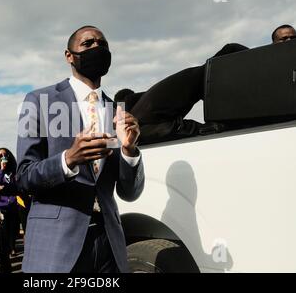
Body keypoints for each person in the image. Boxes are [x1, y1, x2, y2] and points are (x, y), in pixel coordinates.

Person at [16, 25, 145, 273]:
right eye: (87, 44)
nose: (97, 47)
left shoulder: (116, 111)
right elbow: (22, 177)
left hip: (108, 245)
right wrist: (68, 160)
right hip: (58, 246)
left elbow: (129, 193)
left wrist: (130, 152)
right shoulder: (37, 100)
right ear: (69, 55)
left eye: (102, 44)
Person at [124, 24, 296, 145]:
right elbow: (232, 49)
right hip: (163, 104)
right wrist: (209, 129)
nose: (288, 42)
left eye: (292, 38)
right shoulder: (138, 123)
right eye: (283, 39)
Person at [0, 147, 19, 273]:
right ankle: (2, 263)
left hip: (13, 206)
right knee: (2, 237)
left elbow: (16, 185)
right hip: (0, 208)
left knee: (13, 233)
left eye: (5, 155)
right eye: (0, 155)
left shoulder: (13, 172)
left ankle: (10, 254)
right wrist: (1, 169)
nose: (3, 157)